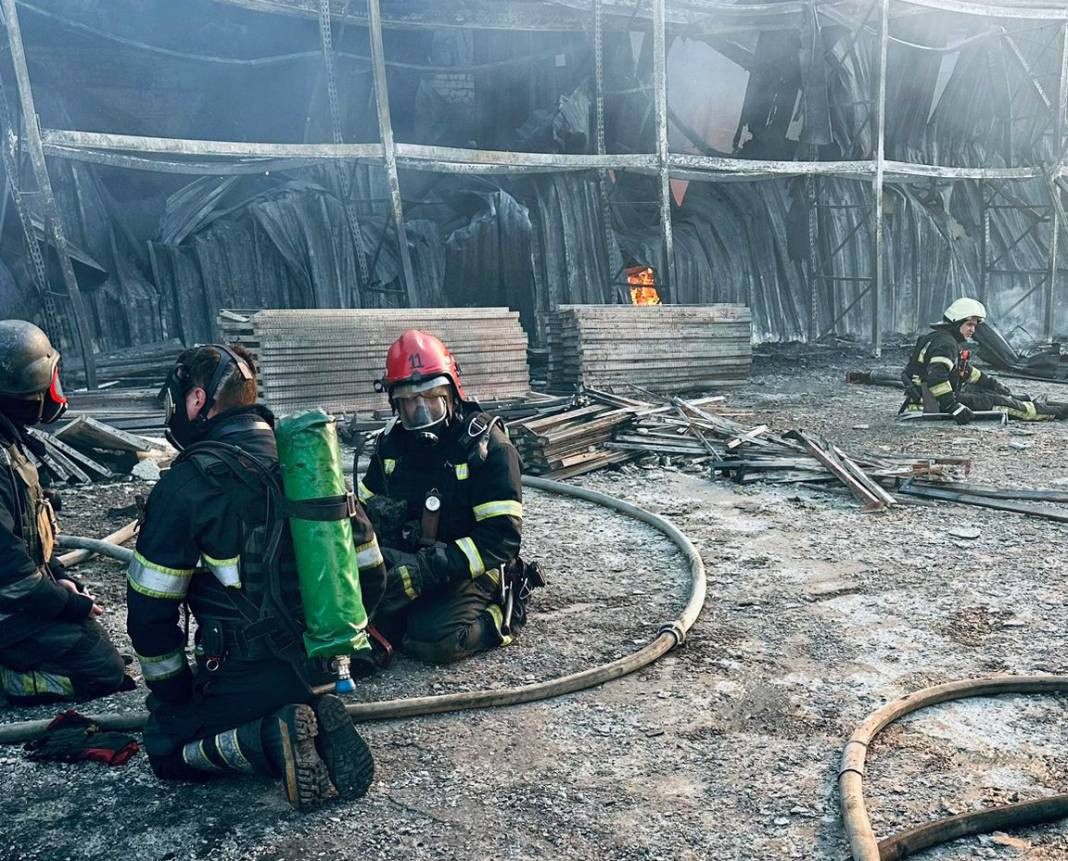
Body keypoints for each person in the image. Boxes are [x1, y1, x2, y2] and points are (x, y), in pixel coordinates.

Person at [127, 343, 380, 809]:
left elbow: (149, 613)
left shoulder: (186, 484)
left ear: (197, 400)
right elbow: (372, 573)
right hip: (323, 664)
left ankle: (271, 739)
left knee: (164, 746)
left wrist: (174, 694)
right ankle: (315, 715)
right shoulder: (310, 466)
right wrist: (334, 642)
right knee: (289, 694)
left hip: (243, 674)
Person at [357, 329, 539, 665]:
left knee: (433, 641)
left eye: (431, 398)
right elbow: (363, 516)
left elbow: (501, 539)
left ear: (453, 392)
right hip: (412, 563)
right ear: (395, 403)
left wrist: (427, 569)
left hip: (471, 568)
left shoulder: (488, 448)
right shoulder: (391, 446)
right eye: (409, 401)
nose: (420, 410)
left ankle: (503, 612)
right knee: (366, 629)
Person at [0, 320, 129, 705]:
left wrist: (59, 576)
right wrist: (70, 604)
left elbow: (25, 538)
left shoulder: (10, 444)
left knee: (94, 643)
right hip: (7, 601)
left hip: (10, 599)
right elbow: (12, 577)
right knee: (102, 672)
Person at [900, 298, 1068, 423]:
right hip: (930, 404)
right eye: (969, 324)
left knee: (991, 393)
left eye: (975, 325)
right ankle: (1057, 412)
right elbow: (936, 378)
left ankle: (1031, 402)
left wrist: (992, 384)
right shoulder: (946, 344)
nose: (973, 330)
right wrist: (954, 407)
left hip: (925, 399)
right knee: (1000, 403)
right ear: (957, 322)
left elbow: (964, 371)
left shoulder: (938, 338)